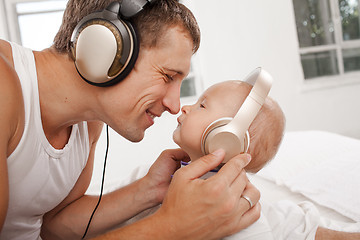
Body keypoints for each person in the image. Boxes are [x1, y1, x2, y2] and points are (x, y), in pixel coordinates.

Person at [0, 0, 262, 239]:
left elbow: (53, 225)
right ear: (105, 49)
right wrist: (172, 226)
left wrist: (149, 190)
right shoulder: (4, 86)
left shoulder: (90, 121)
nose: (175, 105)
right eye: (168, 76)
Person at [173, 80, 360, 240]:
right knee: (288, 220)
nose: (185, 107)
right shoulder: (175, 174)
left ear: (229, 136)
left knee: (291, 223)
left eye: (202, 105)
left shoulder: (233, 212)